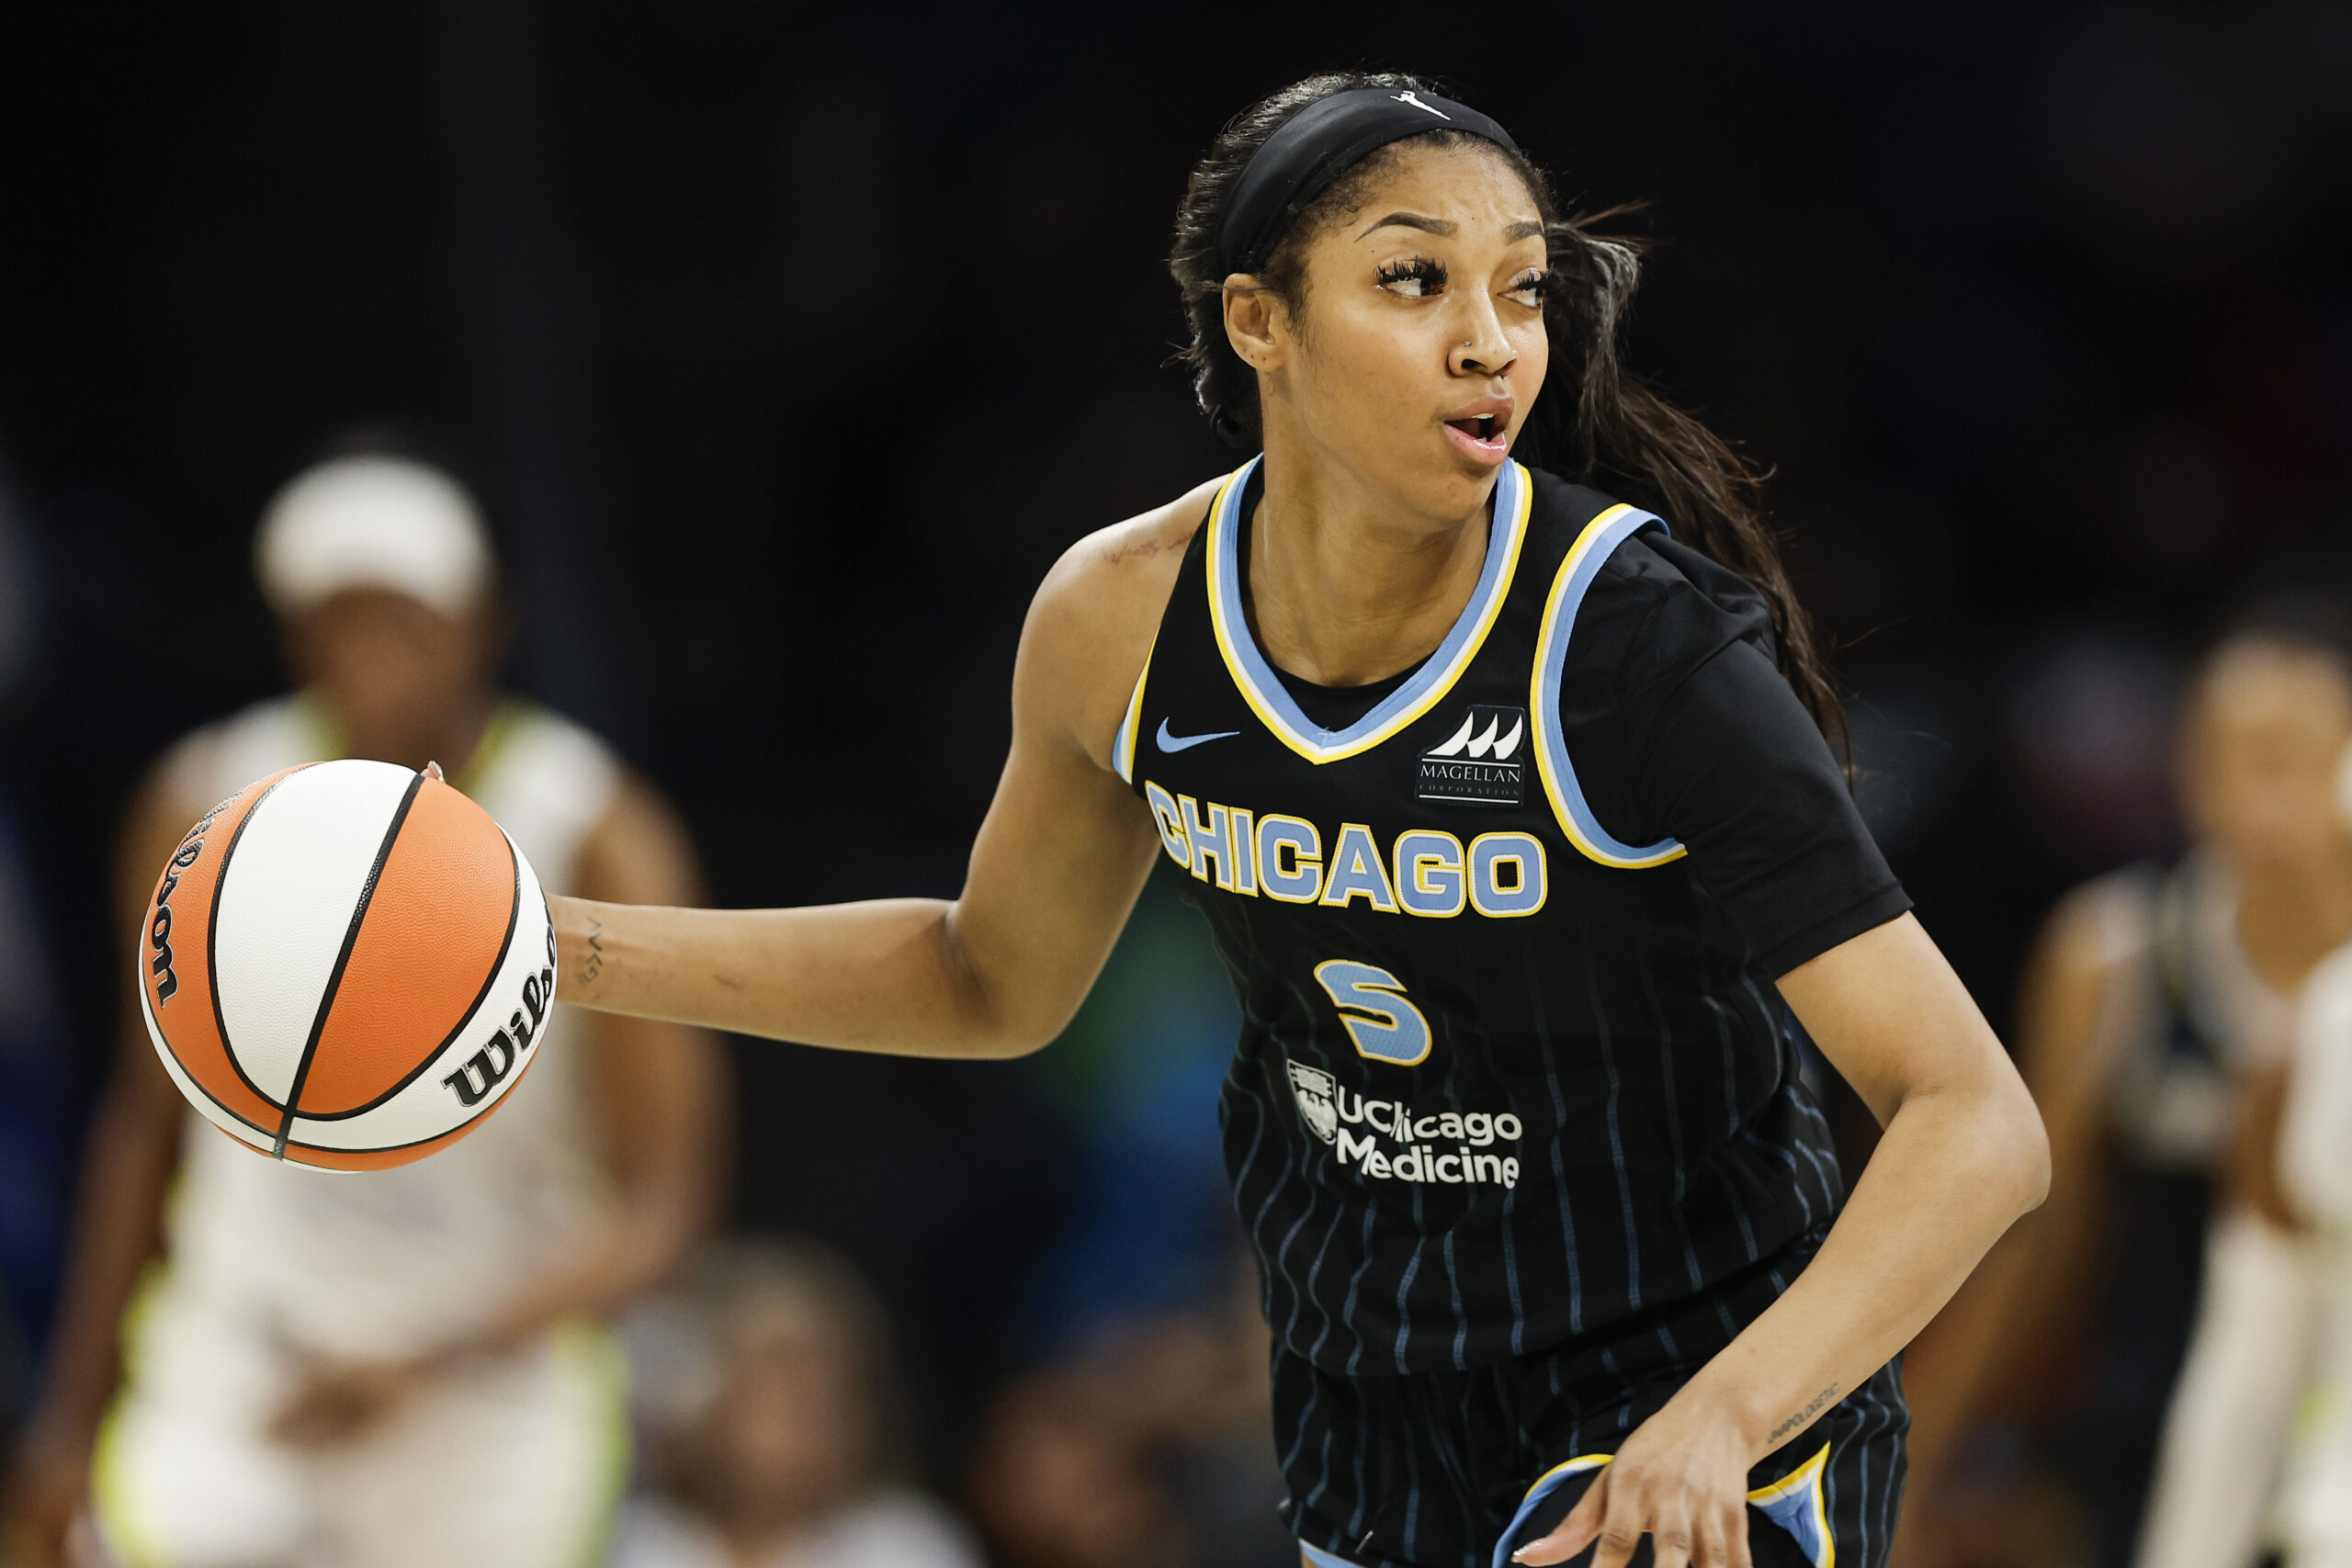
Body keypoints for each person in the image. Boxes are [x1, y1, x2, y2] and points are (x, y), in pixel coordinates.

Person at [539, 74, 2048, 1568]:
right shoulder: (1121, 619)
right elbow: (984, 977)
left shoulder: (1635, 647)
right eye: (1414, 280)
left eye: (1521, 291)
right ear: (1260, 320)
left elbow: (1974, 1118)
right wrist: (561, 952)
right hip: (1369, 1409)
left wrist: (1727, 1413)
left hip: (1687, 1392)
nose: (1488, 340)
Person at [0, 451, 726, 1568]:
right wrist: (69, 1417)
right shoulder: (203, 802)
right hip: (245, 1356)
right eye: (342, 616)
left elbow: (663, 1204)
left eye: (407, 614)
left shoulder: (592, 823)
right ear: (300, 637)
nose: (373, 649)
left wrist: (430, 1357)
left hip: (491, 1372)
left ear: (487, 623)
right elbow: (146, 1131)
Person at [1892, 613, 2352, 1568]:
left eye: (2291, 761)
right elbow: (2034, 1236)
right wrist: (1917, 1456)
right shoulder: (2117, 956)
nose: (2260, 799)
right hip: (2139, 1426)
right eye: (2229, 760)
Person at [611, 1238, 981, 1568]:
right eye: (764, 1387)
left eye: (812, 1392)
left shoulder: (907, 1547)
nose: (791, 1416)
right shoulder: (627, 1543)